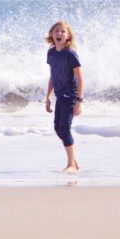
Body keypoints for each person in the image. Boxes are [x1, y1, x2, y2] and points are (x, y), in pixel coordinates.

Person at [44, 20, 83, 173]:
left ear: (68, 36)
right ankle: (73, 161)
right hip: (60, 95)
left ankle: (71, 165)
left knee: (64, 128)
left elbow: (80, 78)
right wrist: (48, 96)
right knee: (57, 128)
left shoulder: (70, 54)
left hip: (71, 95)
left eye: (62, 31)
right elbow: (53, 76)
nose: (59, 33)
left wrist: (79, 102)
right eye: (56, 31)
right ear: (51, 34)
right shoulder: (51, 52)